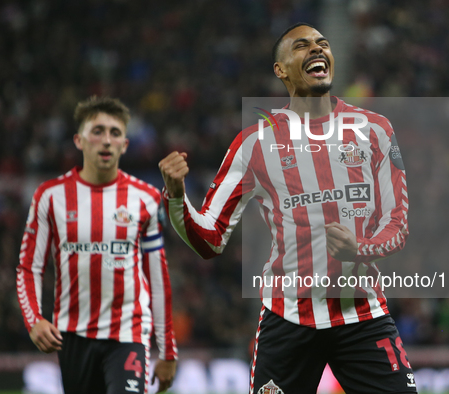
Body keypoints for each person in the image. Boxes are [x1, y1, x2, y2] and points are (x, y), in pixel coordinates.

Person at [159, 23, 415, 394]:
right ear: (280, 70)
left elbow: (398, 223)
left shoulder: (375, 130)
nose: (316, 49)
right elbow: (209, 240)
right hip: (288, 319)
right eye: (301, 46)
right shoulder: (255, 143)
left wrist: (359, 249)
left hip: (362, 315)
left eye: (323, 44)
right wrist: (177, 197)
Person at [16, 96, 177, 394]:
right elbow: (29, 266)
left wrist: (168, 351)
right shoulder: (50, 197)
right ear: (79, 140)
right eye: (98, 131)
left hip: (128, 333)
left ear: (125, 144)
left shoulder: (147, 198)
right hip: (73, 335)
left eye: (115, 133)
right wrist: (34, 320)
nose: (106, 140)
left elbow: (158, 277)